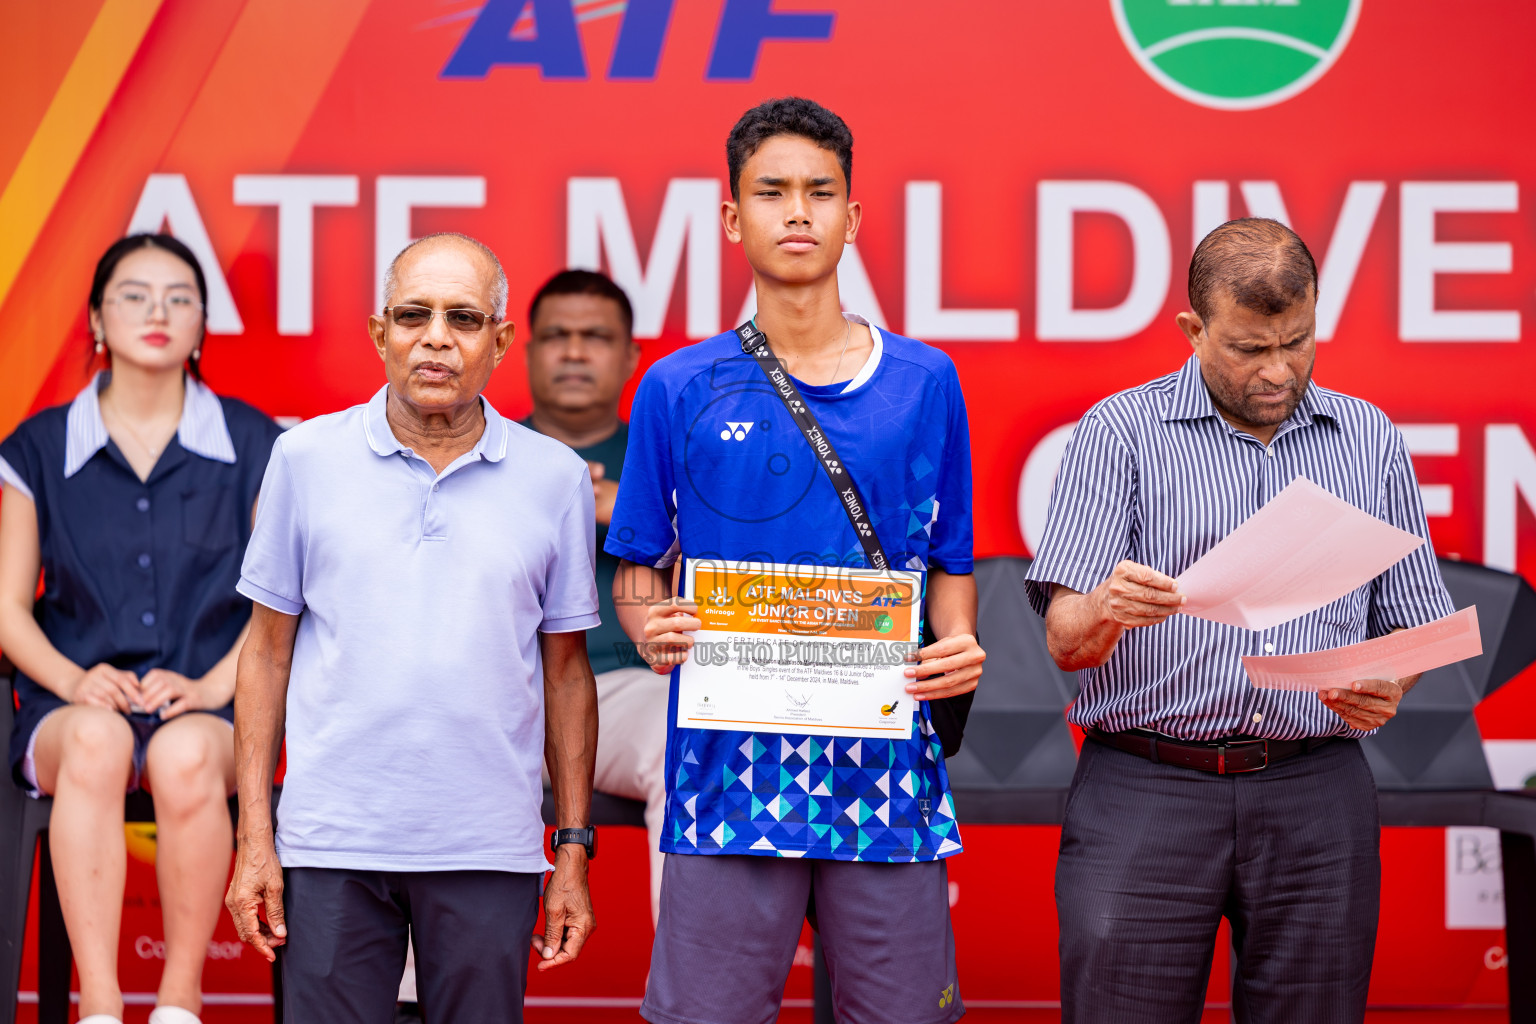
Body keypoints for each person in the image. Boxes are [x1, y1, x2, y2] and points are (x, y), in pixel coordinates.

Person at [608, 97, 985, 1024]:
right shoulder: (676, 385)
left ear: (855, 218)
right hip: (726, 762)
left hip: (883, 764)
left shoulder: (926, 381)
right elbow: (635, 561)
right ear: (733, 219)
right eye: (772, 192)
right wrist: (645, 622)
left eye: (822, 191)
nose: (799, 211)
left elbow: (952, 560)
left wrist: (962, 643)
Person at [1025, 218, 1455, 1023]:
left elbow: (1413, 623)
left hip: (1316, 786)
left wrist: (1390, 677)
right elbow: (1065, 640)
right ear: (1192, 330)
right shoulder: (1120, 432)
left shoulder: (1368, 439)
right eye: (1249, 348)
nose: (1279, 370)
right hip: (1147, 784)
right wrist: (1108, 607)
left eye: (1296, 341)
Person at [224, 232, 600, 1023]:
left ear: (499, 343)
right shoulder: (304, 458)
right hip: (330, 845)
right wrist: (256, 838)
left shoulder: (554, 478)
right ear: (379, 333)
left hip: (489, 849)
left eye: (463, 318)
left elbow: (567, 673)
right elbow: (264, 654)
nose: (435, 337)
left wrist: (571, 849)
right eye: (412, 315)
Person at [0, 233, 283, 1024]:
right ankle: (97, 1007)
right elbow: (6, 607)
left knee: (187, 752)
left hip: (215, 702)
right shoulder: (37, 447)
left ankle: (179, 1005)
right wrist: (73, 681)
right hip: (71, 706)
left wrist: (209, 686)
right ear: (95, 317)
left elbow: (280, 603)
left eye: (178, 297)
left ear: (202, 325)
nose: (156, 312)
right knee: (98, 739)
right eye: (133, 294)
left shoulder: (259, 445)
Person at [520, 269, 670, 924]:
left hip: (620, 693)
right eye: (556, 336)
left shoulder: (664, 458)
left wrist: (630, 512)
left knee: (686, 732)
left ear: (632, 355)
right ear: (522, 351)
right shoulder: (478, 448)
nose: (575, 352)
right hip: (496, 694)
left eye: (595, 337)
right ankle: (412, 1003)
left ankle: (689, 995)